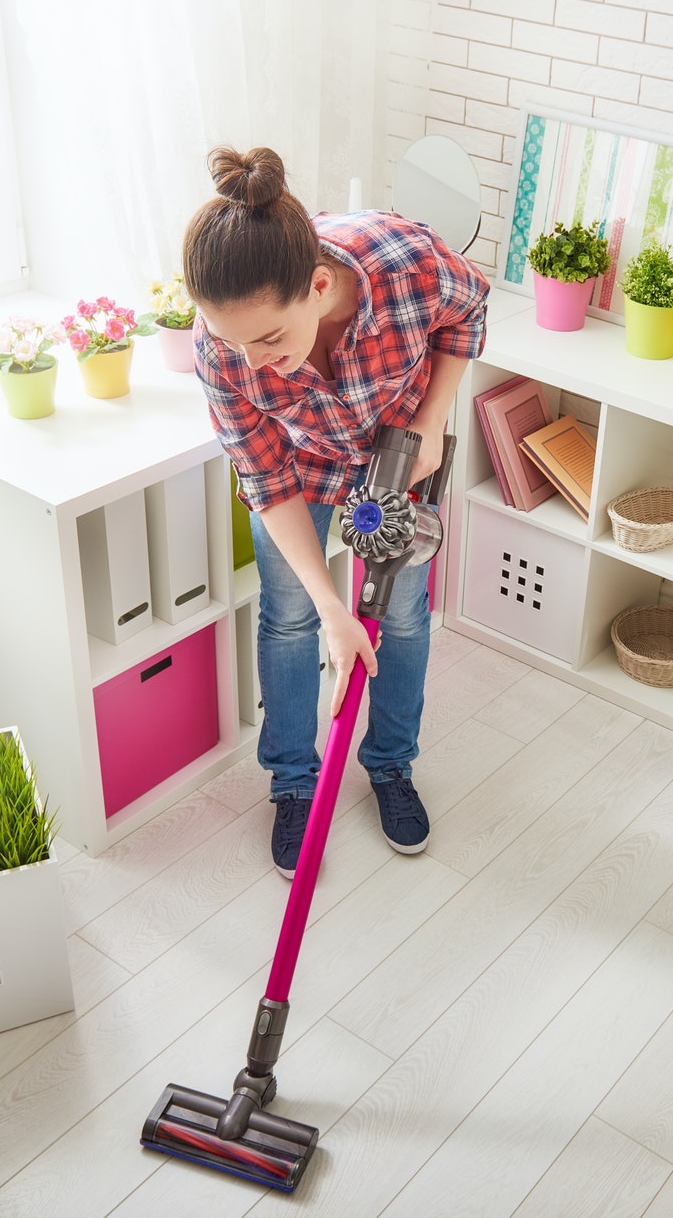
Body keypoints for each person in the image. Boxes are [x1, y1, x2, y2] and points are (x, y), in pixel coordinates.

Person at [184, 145, 488, 876]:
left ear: (320, 286)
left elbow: (468, 308)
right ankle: (294, 783)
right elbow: (263, 478)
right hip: (300, 470)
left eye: (268, 339)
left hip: (394, 457)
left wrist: (434, 416)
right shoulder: (223, 351)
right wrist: (330, 604)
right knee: (290, 614)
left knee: (404, 617)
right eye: (231, 342)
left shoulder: (406, 263)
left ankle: (389, 764)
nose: (251, 365)